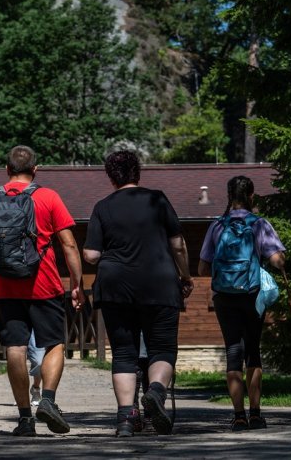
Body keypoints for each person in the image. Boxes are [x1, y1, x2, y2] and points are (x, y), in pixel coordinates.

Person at [0, 145, 84, 437]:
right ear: (35, 170)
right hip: (44, 285)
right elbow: (69, 244)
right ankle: (47, 399)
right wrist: (77, 284)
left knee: (15, 349)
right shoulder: (48, 197)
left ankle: (24, 419)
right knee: (55, 343)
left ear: (7, 170)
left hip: (5, 288)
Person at [83, 150, 193, 437]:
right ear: (138, 172)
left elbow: (91, 255)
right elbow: (178, 244)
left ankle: (125, 420)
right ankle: (155, 393)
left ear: (111, 177)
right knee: (162, 348)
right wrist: (185, 276)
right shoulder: (157, 199)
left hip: (116, 285)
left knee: (123, 353)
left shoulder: (102, 206)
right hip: (159, 283)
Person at [198, 175, 286, 432]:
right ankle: (256, 415)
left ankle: (238, 416)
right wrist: (278, 259)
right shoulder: (259, 224)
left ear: (229, 197)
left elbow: (203, 267)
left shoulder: (217, 226)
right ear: (251, 196)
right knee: (253, 352)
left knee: (232, 353)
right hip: (252, 295)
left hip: (224, 299)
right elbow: (277, 260)